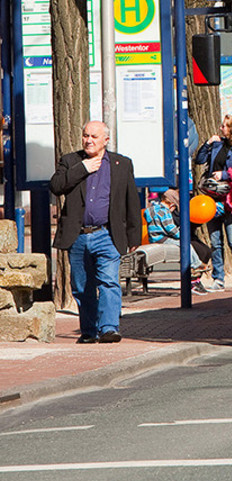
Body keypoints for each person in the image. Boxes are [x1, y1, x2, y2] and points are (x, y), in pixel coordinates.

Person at [49, 121, 141, 344]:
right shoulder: (71, 161)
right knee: (82, 287)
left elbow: (131, 200)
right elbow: (56, 185)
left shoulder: (122, 164)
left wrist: (134, 235)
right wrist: (83, 168)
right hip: (78, 235)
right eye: (85, 136)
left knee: (108, 281)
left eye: (94, 136)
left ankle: (109, 328)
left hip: (107, 235)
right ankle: (89, 331)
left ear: (106, 140)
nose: (89, 140)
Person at [195, 115, 232, 293]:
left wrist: (224, 175)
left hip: (229, 200)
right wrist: (208, 143)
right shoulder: (217, 145)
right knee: (215, 241)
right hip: (213, 199)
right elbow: (199, 159)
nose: (221, 128)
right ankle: (218, 279)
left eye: (225, 126)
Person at [144, 189, 210, 293]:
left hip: (154, 238)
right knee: (186, 246)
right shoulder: (164, 212)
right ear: (171, 204)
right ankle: (196, 264)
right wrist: (182, 236)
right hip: (163, 239)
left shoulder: (151, 209)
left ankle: (196, 265)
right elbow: (170, 229)